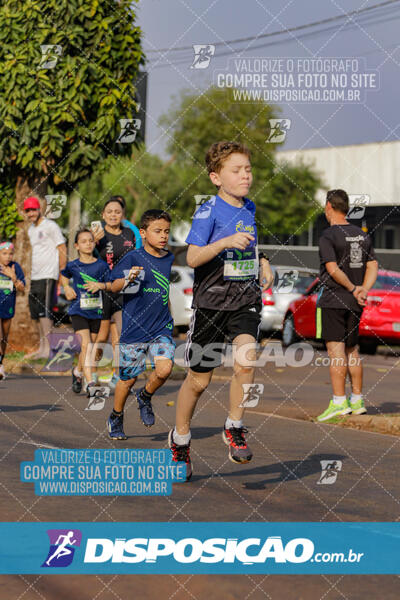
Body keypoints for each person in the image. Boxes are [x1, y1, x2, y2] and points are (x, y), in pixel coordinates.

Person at [169, 141, 273, 481]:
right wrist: (224, 243)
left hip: (245, 299)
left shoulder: (250, 207)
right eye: (236, 170)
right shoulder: (208, 211)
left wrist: (263, 261)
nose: (245, 175)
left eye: (248, 168)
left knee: (247, 359)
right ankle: (181, 440)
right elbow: (193, 258)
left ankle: (234, 426)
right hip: (211, 303)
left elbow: (252, 242)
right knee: (199, 381)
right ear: (216, 177)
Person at [106, 209, 175, 440]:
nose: (163, 236)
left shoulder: (169, 258)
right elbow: (114, 286)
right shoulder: (133, 257)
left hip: (161, 327)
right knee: (128, 380)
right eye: (157, 231)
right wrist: (128, 279)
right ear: (144, 233)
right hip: (135, 328)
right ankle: (116, 415)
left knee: (165, 369)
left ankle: (145, 396)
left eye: (166, 231)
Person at [316, 189, 378, 422]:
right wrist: (363, 289)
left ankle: (339, 402)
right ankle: (358, 400)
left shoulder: (328, 235)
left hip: (334, 299)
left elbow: (332, 269)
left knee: (336, 353)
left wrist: (353, 288)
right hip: (354, 302)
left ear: (329, 206)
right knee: (353, 351)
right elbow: (373, 264)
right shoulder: (362, 235)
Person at [91, 197, 137, 388]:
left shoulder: (129, 234)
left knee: (120, 335)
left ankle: (118, 374)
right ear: (103, 214)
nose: (113, 215)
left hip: (122, 290)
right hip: (101, 289)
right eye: (109, 211)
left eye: (117, 212)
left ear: (122, 215)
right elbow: (85, 258)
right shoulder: (97, 234)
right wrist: (93, 241)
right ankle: (89, 373)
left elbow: (135, 257)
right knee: (101, 337)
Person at [60, 229, 110, 395]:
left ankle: (77, 371)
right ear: (77, 246)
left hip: (96, 312)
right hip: (78, 311)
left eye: (90, 240)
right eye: (83, 241)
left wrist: (101, 285)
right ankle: (90, 384)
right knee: (86, 346)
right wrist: (66, 287)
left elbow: (109, 284)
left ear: (94, 243)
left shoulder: (101, 265)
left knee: (89, 348)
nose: (88, 244)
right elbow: (64, 275)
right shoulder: (73, 265)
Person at [24, 196, 67, 359]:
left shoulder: (51, 226)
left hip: (49, 274)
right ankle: (42, 348)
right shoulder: (31, 230)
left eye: (33, 210)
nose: (31, 213)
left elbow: (62, 247)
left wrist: (62, 272)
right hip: (35, 276)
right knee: (36, 314)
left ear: (39, 209)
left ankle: (49, 349)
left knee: (46, 312)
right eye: (28, 211)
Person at [0, 241, 25, 379]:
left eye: (10, 253)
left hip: (8, 307)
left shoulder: (16, 267)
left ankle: (1, 363)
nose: (8, 256)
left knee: (4, 338)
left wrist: (14, 277)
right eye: (4, 253)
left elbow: (22, 288)